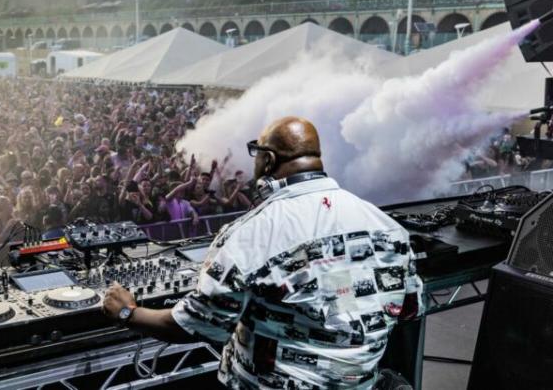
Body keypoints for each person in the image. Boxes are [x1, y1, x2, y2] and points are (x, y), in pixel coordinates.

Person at [102, 117, 423, 389]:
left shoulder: (251, 234)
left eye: (256, 155)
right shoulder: (387, 226)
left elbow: (196, 326)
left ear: (267, 161)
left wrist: (128, 312)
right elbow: (409, 308)